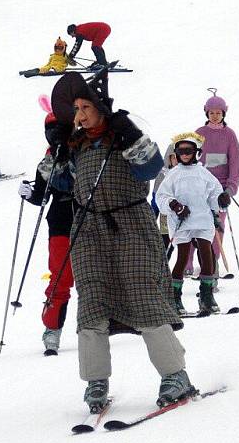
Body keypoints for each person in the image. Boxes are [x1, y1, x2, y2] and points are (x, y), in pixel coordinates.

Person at [49, 70, 192, 411]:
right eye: (76, 109)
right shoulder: (76, 145)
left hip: (130, 227)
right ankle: (96, 381)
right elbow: (56, 183)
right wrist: (55, 150)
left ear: (100, 107)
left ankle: (176, 375)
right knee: (92, 306)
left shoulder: (124, 138)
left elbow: (151, 167)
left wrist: (128, 134)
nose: (79, 115)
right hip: (88, 233)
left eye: (85, 107)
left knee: (144, 299)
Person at [17, 107, 76, 355]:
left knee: (97, 275)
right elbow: (42, 196)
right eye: (49, 130)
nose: (54, 135)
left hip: (90, 218)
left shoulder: (84, 152)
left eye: (58, 129)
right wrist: (30, 194)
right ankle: (52, 329)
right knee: (60, 276)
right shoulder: (48, 160)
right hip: (61, 222)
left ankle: (107, 322)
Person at [155, 133, 225, 316]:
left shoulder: (203, 173)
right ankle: (175, 297)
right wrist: (174, 205)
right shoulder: (173, 175)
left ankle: (206, 295)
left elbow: (214, 193)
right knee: (182, 257)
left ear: (196, 152)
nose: (185, 154)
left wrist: (221, 199)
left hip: (202, 219)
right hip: (181, 221)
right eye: (181, 151)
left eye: (189, 151)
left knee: (206, 255)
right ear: (176, 153)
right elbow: (161, 196)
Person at [183, 89, 239, 279]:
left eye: (219, 112)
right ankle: (188, 262)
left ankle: (213, 263)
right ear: (206, 113)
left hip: (220, 190)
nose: (215, 116)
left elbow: (235, 163)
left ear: (224, 113)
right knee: (194, 224)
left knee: (217, 228)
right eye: (212, 112)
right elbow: (190, 158)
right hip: (199, 188)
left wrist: (230, 189)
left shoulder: (229, 135)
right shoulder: (199, 134)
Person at [151, 143, 177, 255]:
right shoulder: (162, 173)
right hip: (163, 212)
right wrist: (153, 214)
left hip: (176, 213)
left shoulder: (182, 173)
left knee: (171, 240)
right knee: (164, 237)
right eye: (174, 157)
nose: (176, 160)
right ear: (169, 157)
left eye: (178, 156)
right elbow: (155, 196)